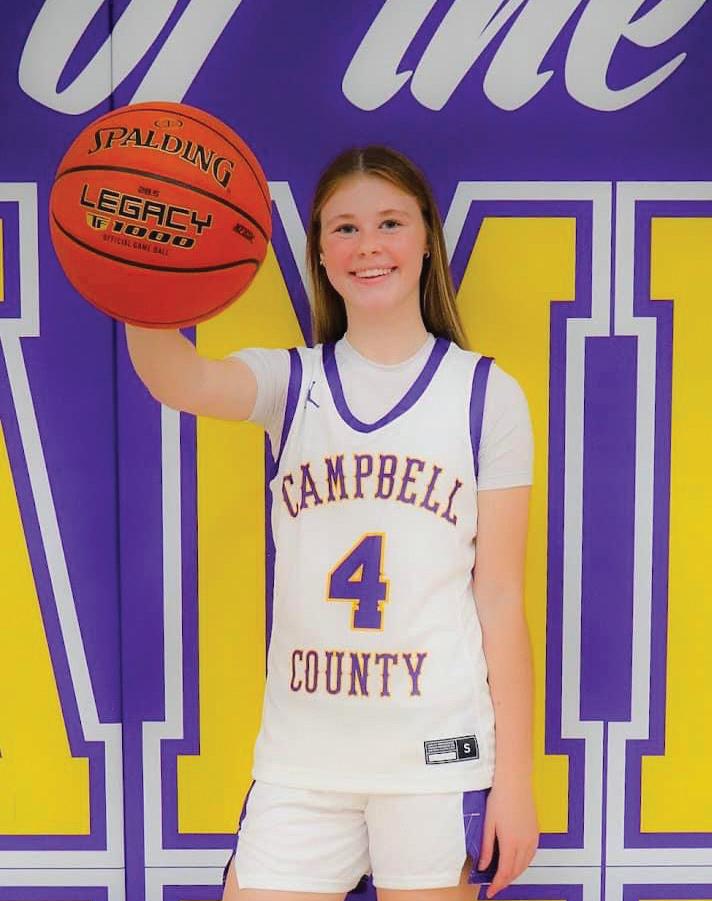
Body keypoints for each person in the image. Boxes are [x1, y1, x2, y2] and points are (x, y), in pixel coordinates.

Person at [126, 146, 539, 901]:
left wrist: (515, 779)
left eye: (390, 222)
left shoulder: (486, 396)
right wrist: (138, 284)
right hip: (304, 759)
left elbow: (502, 598)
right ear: (319, 251)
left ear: (427, 237)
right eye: (344, 228)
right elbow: (179, 379)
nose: (368, 245)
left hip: (435, 754)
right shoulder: (291, 382)